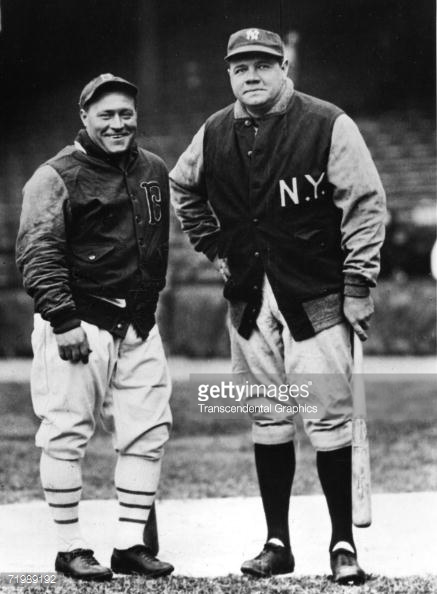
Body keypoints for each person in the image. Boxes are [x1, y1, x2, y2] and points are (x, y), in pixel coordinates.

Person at [170, 28, 386, 585]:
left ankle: (342, 542)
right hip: (249, 298)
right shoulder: (214, 131)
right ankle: (277, 544)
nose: (252, 75)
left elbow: (364, 204)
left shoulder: (327, 122)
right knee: (269, 416)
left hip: (314, 295)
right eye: (241, 67)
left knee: (329, 417)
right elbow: (182, 187)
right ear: (229, 74)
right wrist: (214, 246)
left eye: (263, 64)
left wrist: (359, 284)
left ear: (283, 66)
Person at [16, 73, 174, 581]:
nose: (118, 123)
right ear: (84, 117)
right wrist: (62, 319)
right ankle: (69, 546)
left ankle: (130, 544)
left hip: (138, 323)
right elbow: (37, 253)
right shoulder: (54, 174)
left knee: (148, 432)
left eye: (126, 113)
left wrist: (146, 312)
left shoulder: (152, 168)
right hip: (79, 320)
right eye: (105, 114)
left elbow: (157, 246)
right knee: (65, 433)